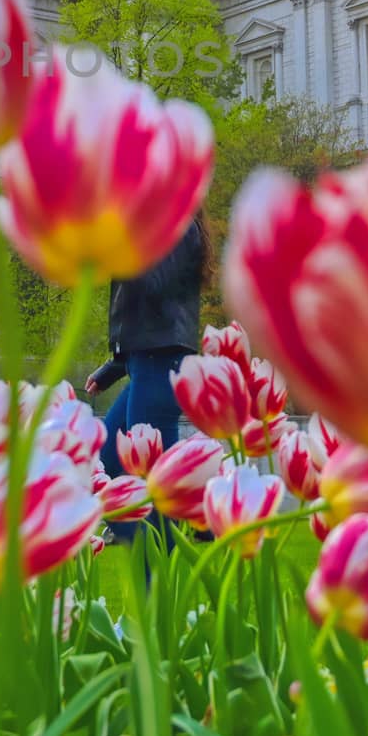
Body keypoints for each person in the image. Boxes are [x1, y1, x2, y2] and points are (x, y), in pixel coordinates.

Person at [86, 212, 212, 533]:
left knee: (156, 488)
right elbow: (147, 311)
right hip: (146, 362)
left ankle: (159, 570)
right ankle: (153, 555)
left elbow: (156, 287)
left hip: (161, 364)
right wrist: (114, 367)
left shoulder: (178, 227)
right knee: (105, 467)